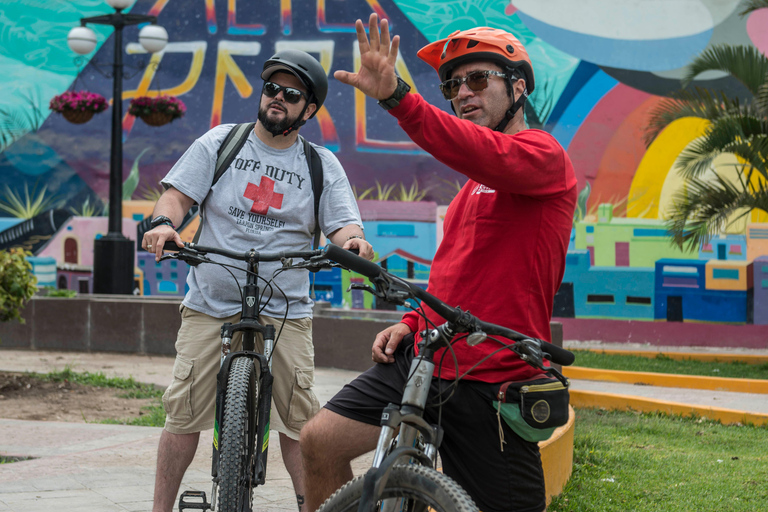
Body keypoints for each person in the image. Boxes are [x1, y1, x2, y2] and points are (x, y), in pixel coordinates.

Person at [300, 15, 577, 512]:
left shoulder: (544, 158)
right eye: (452, 85)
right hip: (428, 356)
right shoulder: (473, 186)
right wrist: (412, 321)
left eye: (476, 79)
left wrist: (397, 98)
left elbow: (476, 149)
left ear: (517, 87)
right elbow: (455, 272)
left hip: (492, 378)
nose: (461, 93)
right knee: (320, 440)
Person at [143, 49, 374, 512]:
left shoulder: (321, 164)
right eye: (272, 88)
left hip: (286, 306)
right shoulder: (222, 142)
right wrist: (164, 224)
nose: (277, 98)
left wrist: (353, 245)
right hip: (211, 299)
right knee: (182, 415)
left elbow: (345, 227)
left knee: (298, 422)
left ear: (308, 110)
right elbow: (176, 196)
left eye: (291, 94)